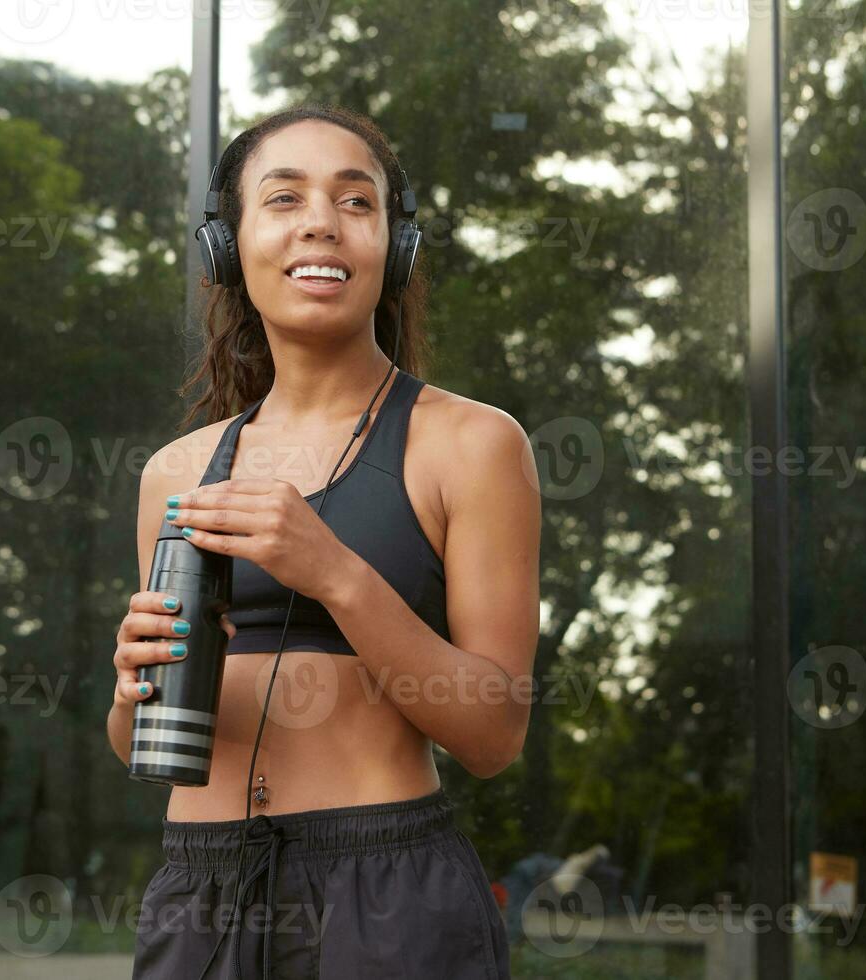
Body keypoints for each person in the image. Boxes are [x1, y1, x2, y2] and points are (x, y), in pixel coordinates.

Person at [107, 102, 541, 979]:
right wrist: (128, 691)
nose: (320, 222)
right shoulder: (174, 473)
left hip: (384, 895)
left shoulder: (471, 444)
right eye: (283, 198)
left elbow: (494, 734)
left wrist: (335, 571)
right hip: (202, 893)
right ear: (227, 247)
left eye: (355, 201)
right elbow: (139, 745)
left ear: (394, 244)